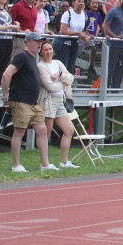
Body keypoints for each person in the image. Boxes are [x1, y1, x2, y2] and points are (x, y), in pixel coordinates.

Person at [1, 32, 54, 172]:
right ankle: (16, 165)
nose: (39, 44)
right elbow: (6, 75)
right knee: (19, 132)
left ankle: (45, 164)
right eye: (37, 41)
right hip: (21, 100)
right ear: (28, 42)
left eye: (40, 41)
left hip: (33, 102)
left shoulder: (32, 58)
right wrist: (5, 96)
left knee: (42, 130)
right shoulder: (22, 56)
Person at [37, 40, 78, 170]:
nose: (48, 52)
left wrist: (58, 76)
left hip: (61, 100)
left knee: (69, 130)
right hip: (48, 101)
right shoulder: (41, 66)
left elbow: (70, 78)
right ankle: (45, 163)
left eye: (50, 49)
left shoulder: (58, 63)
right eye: (45, 50)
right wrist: (62, 81)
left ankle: (64, 162)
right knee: (46, 132)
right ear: (41, 52)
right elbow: (50, 86)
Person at [102, 0, 123, 88]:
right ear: (120, 0)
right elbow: (105, 25)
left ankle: (115, 89)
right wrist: (115, 36)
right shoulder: (113, 11)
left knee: (120, 69)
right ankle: (106, 89)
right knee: (111, 68)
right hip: (114, 45)